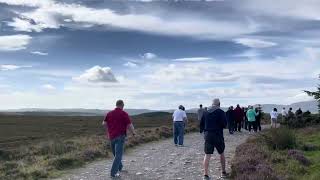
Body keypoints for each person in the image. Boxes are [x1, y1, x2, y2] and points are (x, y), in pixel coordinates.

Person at [102, 100, 136, 178]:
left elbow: (103, 123)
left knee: (115, 154)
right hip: (120, 136)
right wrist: (133, 133)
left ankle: (120, 167)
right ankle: (113, 173)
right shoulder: (124, 114)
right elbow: (129, 125)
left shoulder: (109, 113)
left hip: (111, 136)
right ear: (122, 105)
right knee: (118, 155)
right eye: (123, 105)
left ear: (116, 105)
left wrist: (109, 129)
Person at [200, 98, 228, 180]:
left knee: (207, 154)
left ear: (212, 104)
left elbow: (201, 124)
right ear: (219, 104)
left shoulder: (205, 112)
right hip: (218, 135)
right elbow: (224, 124)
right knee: (221, 153)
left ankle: (205, 175)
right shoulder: (221, 112)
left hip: (208, 135)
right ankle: (223, 172)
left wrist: (203, 132)